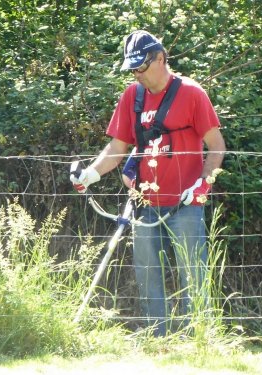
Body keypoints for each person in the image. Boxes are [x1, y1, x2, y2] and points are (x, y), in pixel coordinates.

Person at [70, 30, 226, 336]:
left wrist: (202, 185)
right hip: (144, 202)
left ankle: (199, 341)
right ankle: (158, 339)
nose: (137, 74)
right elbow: (116, 150)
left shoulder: (193, 94)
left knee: (193, 274)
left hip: (186, 203)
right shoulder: (132, 96)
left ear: (160, 58)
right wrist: (90, 174)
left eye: (141, 67)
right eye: (132, 69)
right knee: (148, 275)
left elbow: (216, 146)